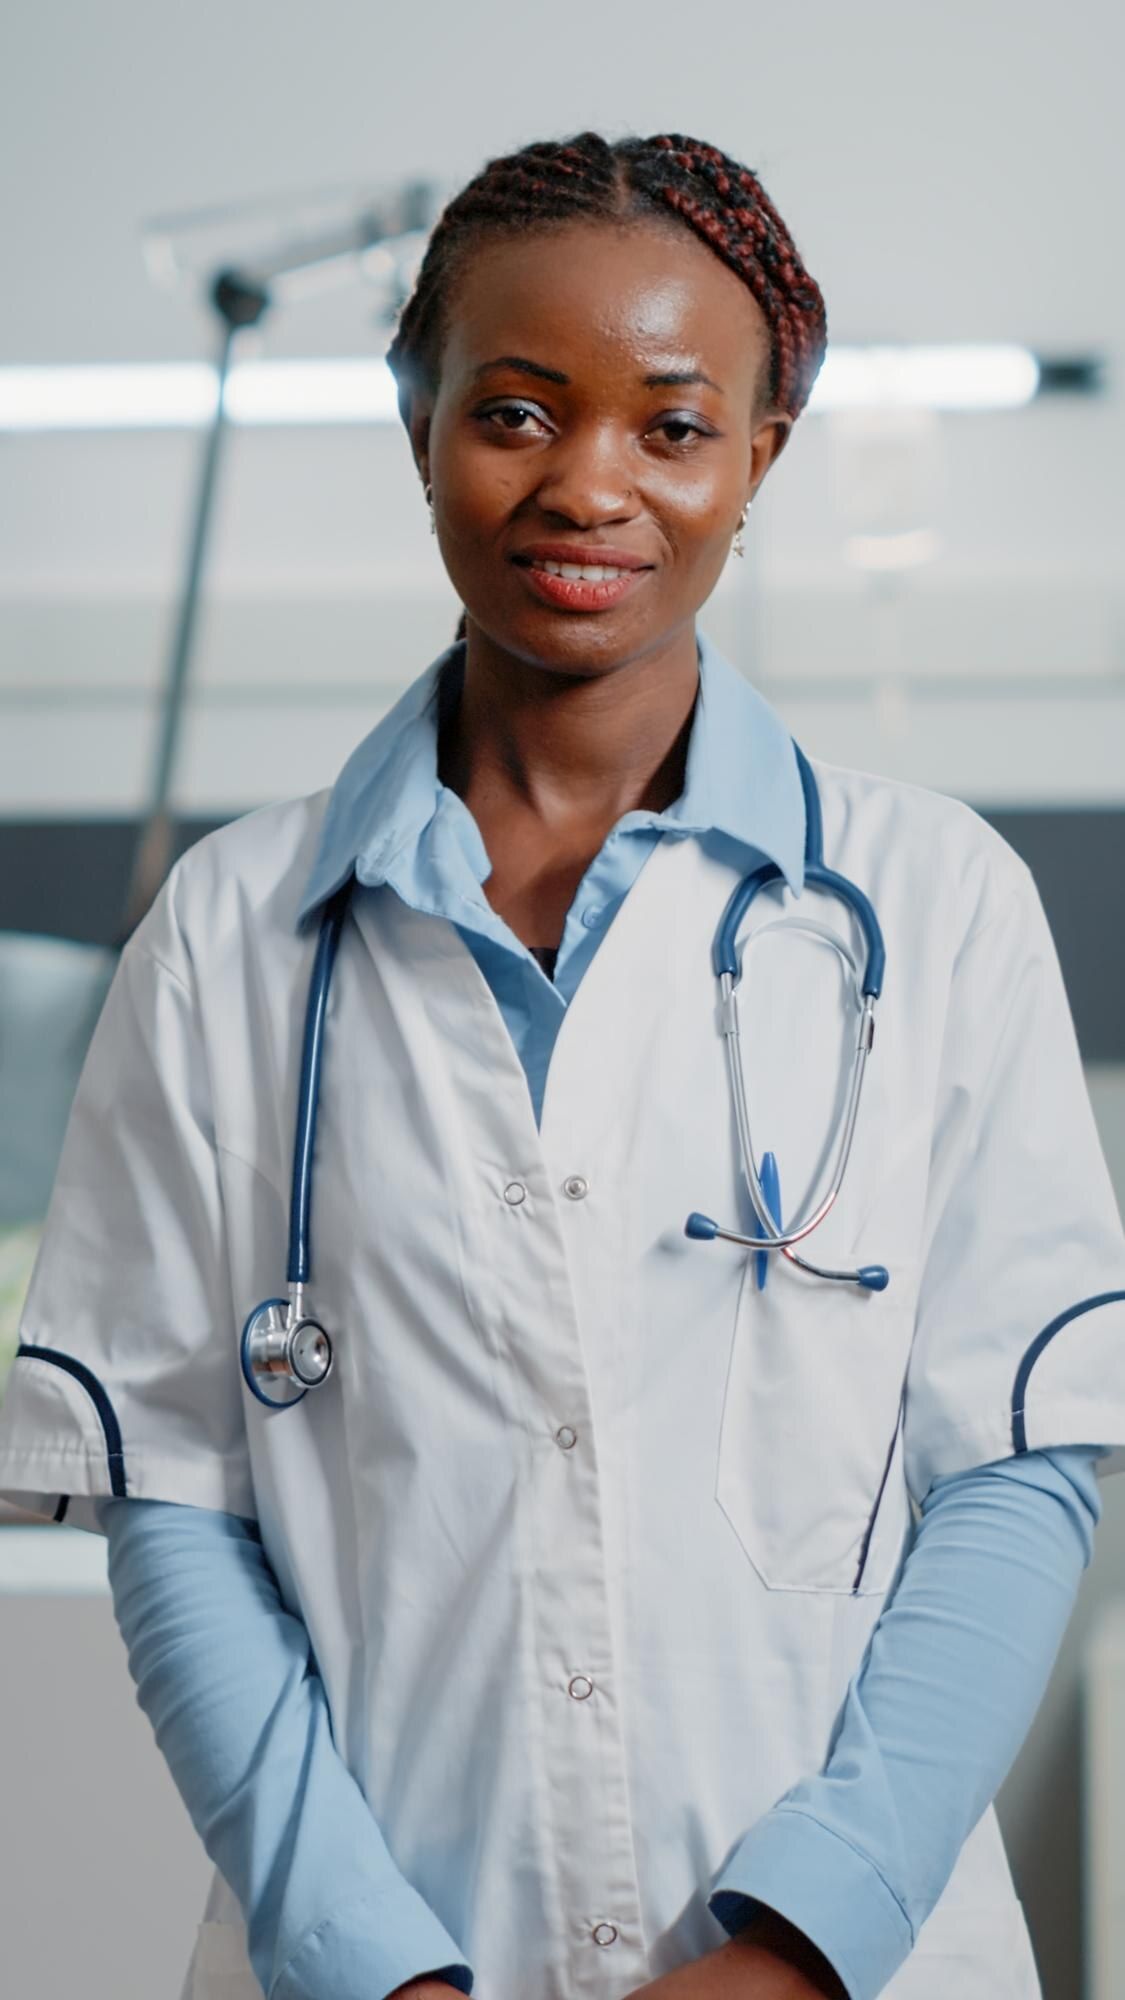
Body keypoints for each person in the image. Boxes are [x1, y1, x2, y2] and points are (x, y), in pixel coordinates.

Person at [2, 129, 1124, 2000]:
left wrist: (790, 1949)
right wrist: (375, 1963)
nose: (586, 485)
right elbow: (177, 1502)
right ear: (416, 420)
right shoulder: (227, 931)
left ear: (759, 457)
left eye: (671, 428)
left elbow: (1013, 1477)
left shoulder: (933, 908)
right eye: (514, 413)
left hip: (856, 1963)